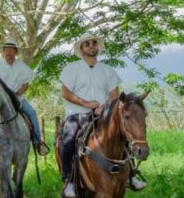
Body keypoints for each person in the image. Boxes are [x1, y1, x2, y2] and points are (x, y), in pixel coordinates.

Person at [59, 32, 147, 197]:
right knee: (68, 141)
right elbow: (65, 93)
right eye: (87, 44)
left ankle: (131, 175)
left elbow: (115, 94)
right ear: (81, 48)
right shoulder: (71, 68)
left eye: (94, 43)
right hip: (77, 114)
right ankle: (69, 181)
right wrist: (86, 103)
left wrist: (103, 106)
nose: (92, 45)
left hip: (103, 114)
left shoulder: (107, 70)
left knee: (124, 137)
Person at [0, 38, 50, 161]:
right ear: (3, 51)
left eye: (11, 49)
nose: (8, 51)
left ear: (15, 51)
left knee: (32, 113)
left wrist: (16, 93)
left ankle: (38, 142)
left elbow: (26, 85)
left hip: (17, 98)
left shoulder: (23, 67)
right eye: (6, 49)